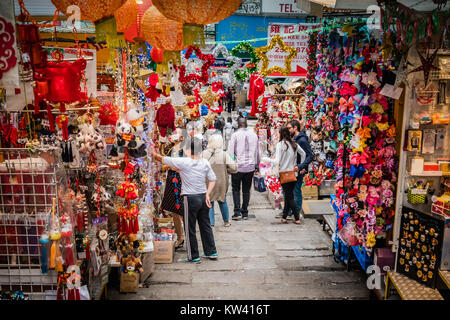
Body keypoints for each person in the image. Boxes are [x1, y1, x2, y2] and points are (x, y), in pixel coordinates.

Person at [152, 136, 218, 263]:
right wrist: (208, 194)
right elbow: (212, 179)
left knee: (190, 227)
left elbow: (163, 159)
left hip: (190, 198)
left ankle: (194, 256)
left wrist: (151, 153)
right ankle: (211, 251)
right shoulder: (205, 162)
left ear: (188, 150)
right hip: (203, 196)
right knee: (205, 225)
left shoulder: (184, 162)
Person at [264, 127, 305, 224]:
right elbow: (303, 154)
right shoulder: (294, 144)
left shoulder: (280, 145)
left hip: (284, 174)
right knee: (288, 195)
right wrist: (300, 166)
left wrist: (266, 159)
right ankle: (284, 217)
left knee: (289, 197)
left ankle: (297, 217)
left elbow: (277, 161)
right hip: (293, 174)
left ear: (281, 134)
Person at [228, 117, 260, 220]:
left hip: (237, 167)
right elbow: (258, 152)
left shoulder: (235, 135)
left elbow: (231, 153)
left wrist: (229, 166)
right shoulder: (254, 135)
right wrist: (257, 165)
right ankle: (245, 212)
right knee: (246, 190)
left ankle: (237, 212)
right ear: (246, 125)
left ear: (238, 125)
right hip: (250, 167)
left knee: (236, 189)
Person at [202, 134, 237, 227]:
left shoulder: (204, 154)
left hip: (208, 182)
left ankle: (211, 223)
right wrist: (227, 170)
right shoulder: (224, 154)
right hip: (221, 182)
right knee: (222, 200)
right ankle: (226, 221)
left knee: (209, 201)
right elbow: (234, 167)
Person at [287, 119, 314, 219]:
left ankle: (296, 212)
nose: (288, 130)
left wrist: (302, 166)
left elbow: (310, 155)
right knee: (291, 190)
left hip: (299, 169)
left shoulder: (302, 140)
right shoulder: (294, 138)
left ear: (295, 128)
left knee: (296, 190)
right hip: (294, 168)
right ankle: (290, 210)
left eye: (289, 128)